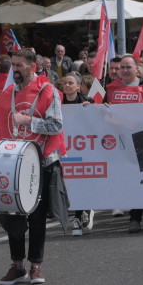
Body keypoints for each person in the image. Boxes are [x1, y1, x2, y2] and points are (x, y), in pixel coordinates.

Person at [0, 49, 67, 285]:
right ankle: (17, 266)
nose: (15, 69)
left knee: (36, 217)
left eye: (20, 65)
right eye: (13, 65)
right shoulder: (6, 94)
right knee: (11, 214)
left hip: (40, 162)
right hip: (13, 164)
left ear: (32, 66)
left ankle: (36, 266)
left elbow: (56, 126)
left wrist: (29, 121)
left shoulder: (48, 91)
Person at [106, 54, 143, 232]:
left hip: (142, 140)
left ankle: (135, 216)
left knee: (139, 178)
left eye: (129, 67)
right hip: (119, 141)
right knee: (124, 178)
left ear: (137, 68)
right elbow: (96, 107)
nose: (126, 71)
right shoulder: (110, 88)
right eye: (122, 68)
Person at [58, 72, 94, 237]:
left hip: (85, 149)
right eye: (65, 83)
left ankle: (80, 215)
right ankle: (81, 212)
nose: (67, 85)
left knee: (81, 182)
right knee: (69, 184)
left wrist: (91, 109)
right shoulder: (58, 103)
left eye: (71, 83)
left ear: (79, 86)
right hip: (65, 149)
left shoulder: (87, 101)